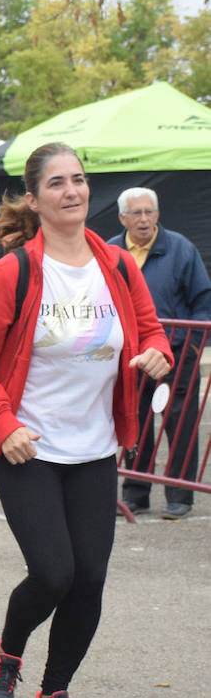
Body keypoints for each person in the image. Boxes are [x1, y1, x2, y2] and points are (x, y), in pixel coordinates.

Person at [0, 143, 172, 698]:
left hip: (96, 447)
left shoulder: (119, 266)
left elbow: (150, 330)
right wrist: (4, 424)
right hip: (27, 447)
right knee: (53, 572)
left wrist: (158, 354)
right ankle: (6, 654)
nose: (72, 191)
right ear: (35, 199)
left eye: (78, 180)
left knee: (90, 579)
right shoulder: (14, 271)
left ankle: (55, 697)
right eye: (57, 183)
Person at [108, 187, 211, 520]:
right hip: (130, 358)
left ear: (157, 214)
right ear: (123, 218)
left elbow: (203, 301)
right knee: (134, 423)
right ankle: (136, 492)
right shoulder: (110, 251)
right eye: (136, 213)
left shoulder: (181, 249)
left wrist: (192, 345)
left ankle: (180, 495)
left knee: (179, 423)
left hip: (176, 355)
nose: (143, 220)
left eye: (149, 212)